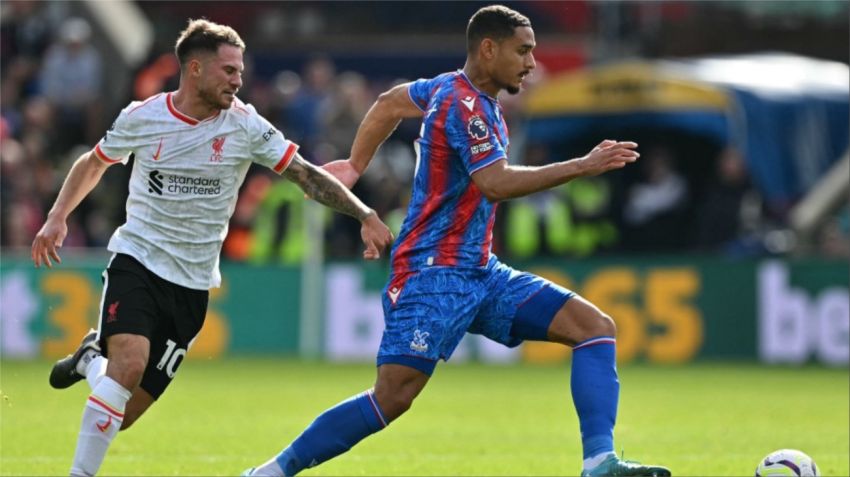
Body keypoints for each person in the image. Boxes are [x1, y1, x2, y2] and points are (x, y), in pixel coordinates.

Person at [245, 5, 669, 477]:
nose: (531, 63)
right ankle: (272, 472)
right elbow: (495, 183)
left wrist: (355, 164)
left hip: (479, 270)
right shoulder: (465, 106)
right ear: (488, 49)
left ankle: (598, 461)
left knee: (593, 326)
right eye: (523, 51)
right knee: (392, 396)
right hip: (434, 272)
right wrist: (582, 165)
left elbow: (388, 101)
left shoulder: (447, 88)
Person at [30, 19, 393, 477]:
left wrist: (364, 214)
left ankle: (89, 362)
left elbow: (305, 173)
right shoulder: (144, 116)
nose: (238, 80)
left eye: (240, 71)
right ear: (195, 69)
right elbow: (94, 161)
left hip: (194, 283)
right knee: (129, 365)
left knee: (120, 413)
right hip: (138, 260)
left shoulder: (245, 125)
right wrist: (57, 216)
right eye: (228, 70)